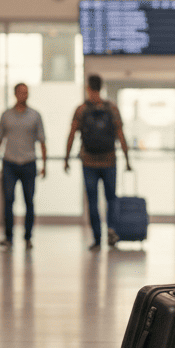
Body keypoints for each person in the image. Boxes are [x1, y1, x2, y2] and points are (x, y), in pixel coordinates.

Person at [63, 74, 131, 251]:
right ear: (100, 87)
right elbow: (121, 135)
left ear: (88, 88)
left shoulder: (81, 109)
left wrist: (66, 157)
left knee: (92, 201)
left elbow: (72, 135)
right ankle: (111, 229)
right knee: (111, 199)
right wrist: (127, 159)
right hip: (109, 160)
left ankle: (96, 238)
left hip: (89, 162)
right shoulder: (112, 108)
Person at [0, 82, 47, 250]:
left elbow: (42, 141)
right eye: (21, 92)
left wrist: (44, 164)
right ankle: (8, 236)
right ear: (15, 94)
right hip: (9, 163)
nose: (25, 95)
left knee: (29, 200)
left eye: (27, 92)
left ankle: (28, 237)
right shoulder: (6, 115)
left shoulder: (35, 115)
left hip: (29, 162)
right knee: (8, 200)